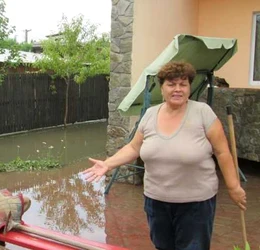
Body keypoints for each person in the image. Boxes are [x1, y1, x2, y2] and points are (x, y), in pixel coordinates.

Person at [81, 61, 247, 250]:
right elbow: (134, 147)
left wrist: (234, 187)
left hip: (196, 205)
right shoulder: (151, 115)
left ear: (189, 88)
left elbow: (222, 151)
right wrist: (108, 164)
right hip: (156, 202)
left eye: (183, 84)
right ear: (162, 88)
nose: (177, 89)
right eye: (171, 84)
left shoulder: (203, 113)